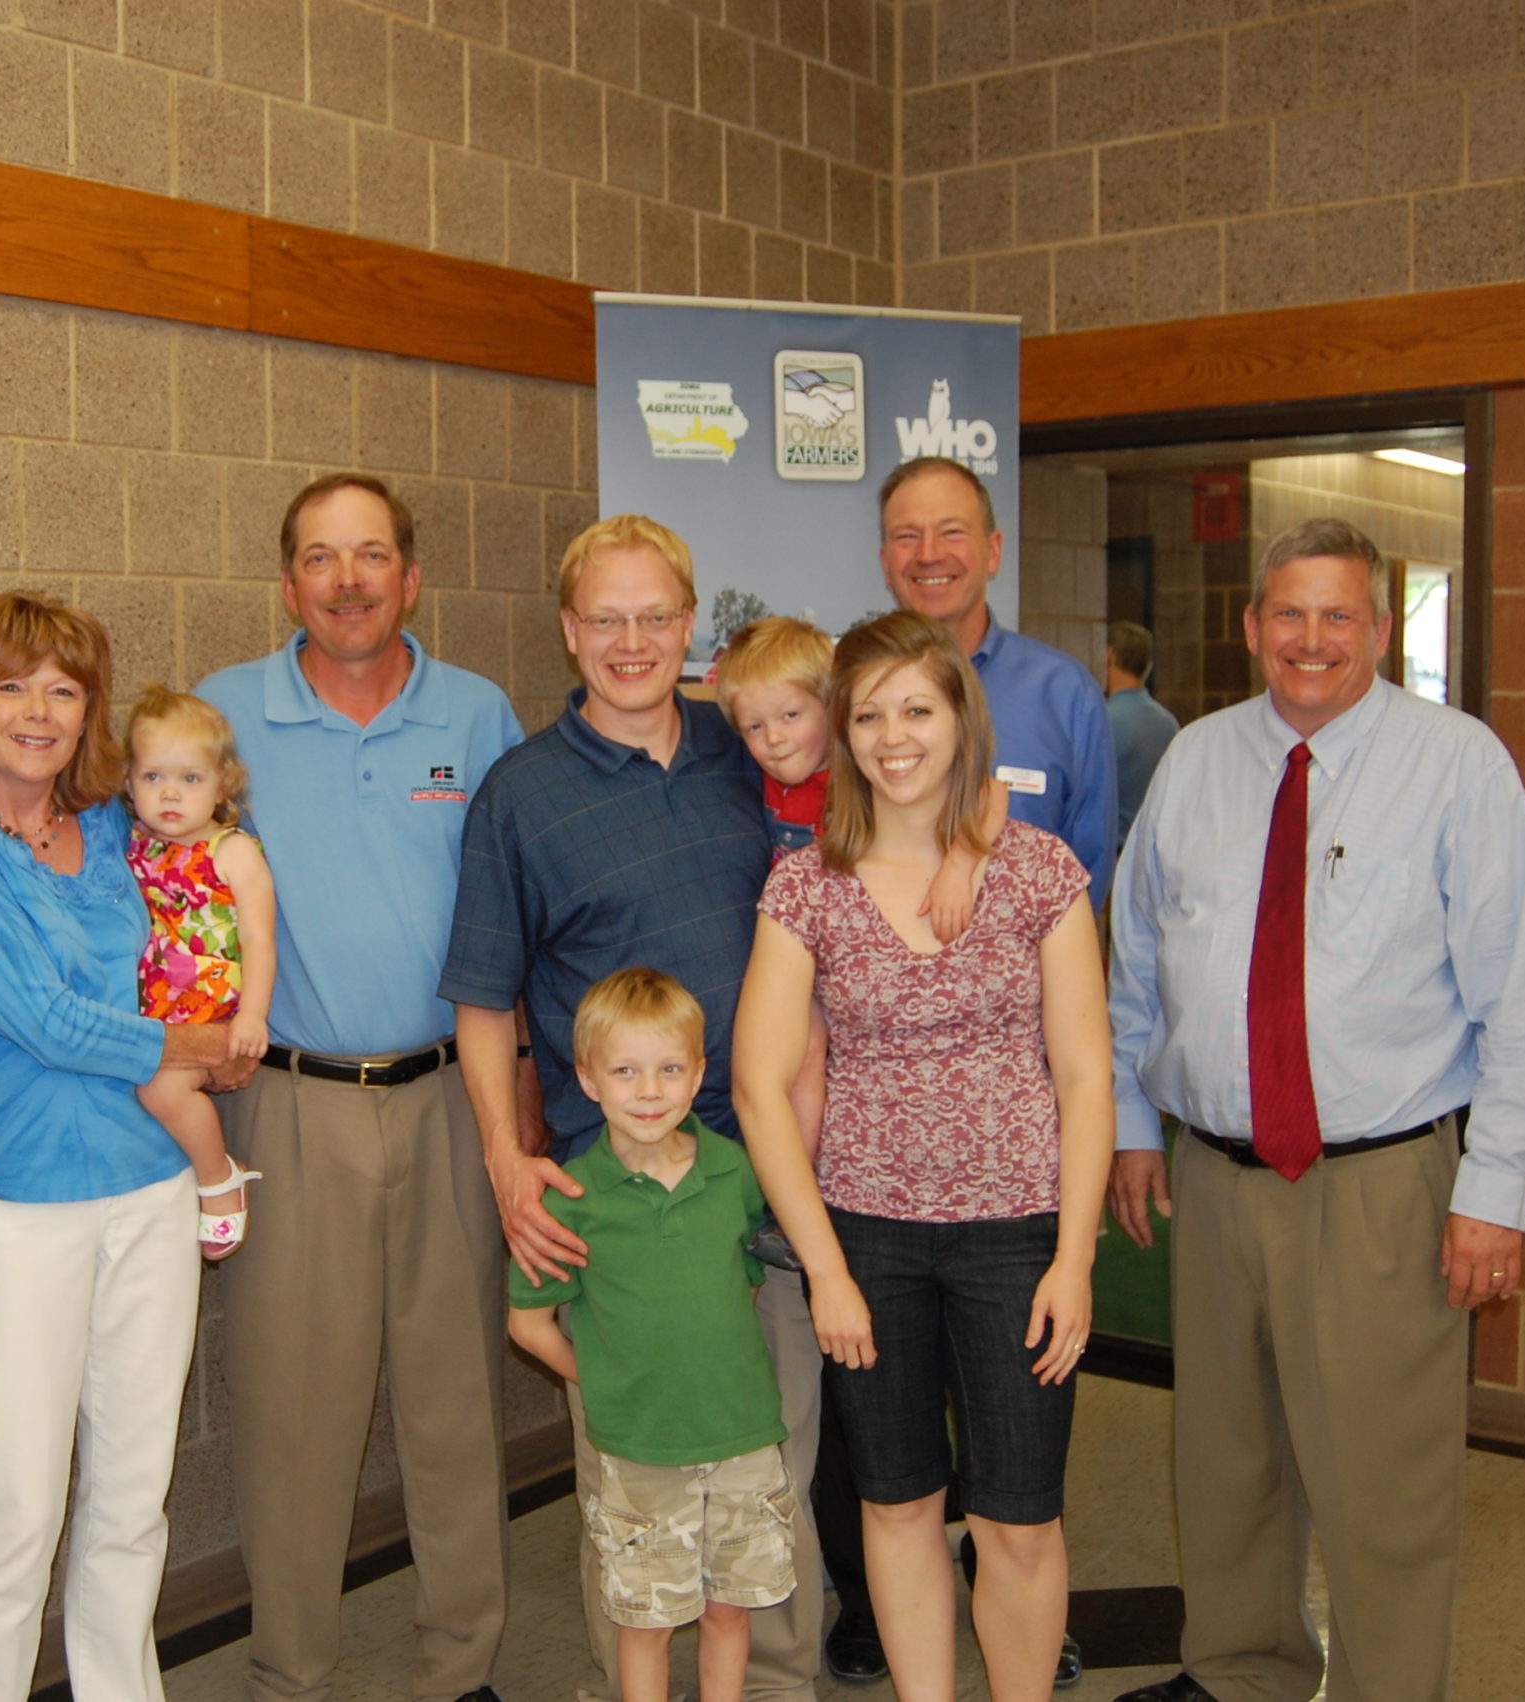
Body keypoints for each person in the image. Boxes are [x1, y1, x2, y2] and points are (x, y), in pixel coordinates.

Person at [1105, 518, 1525, 1702]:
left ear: (1377, 630)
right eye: (1288, 615)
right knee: (1226, 1458)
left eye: (1339, 616)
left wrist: (1494, 1190)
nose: (1311, 640)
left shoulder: (1457, 766)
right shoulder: (1197, 762)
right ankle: (1241, 1670)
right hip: (1214, 1174)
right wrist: (1132, 1126)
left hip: (1381, 1188)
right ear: (1253, 626)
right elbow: (1137, 963)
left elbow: (1517, 997)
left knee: (1383, 1481)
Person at [443, 514, 822, 1702]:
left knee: (775, 1466)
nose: (630, 640)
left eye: (654, 615)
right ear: (567, 632)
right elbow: (484, 1003)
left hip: (760, 1172)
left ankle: (773, 1686)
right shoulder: (519, 795)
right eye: (604, 618)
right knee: (641, 1497)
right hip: (614, 1203)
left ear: (690, 628)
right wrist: (508, 1163)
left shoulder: (744, 755)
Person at [733, 611, 1113, 1702]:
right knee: (896, 1502)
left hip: (1018, 1237)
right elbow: (759, 1086)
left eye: (918, 709)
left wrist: (1074, 1258)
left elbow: (1086, 1075)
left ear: (959, 719)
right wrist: (828, 1268)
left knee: (1018, 1515)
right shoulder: (807, 885)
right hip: (867, 1242)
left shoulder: (1037, 873)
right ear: (841, 734)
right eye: (869, 714)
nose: (895, 736)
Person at [196, 473, 524, 1702]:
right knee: (294, 1414)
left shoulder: (477, 711)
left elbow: (517, 912)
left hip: (452, 1097)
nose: (347, 579)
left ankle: (464, 1667)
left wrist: (521, 1105)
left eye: (371, 554)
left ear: (410, 576)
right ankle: (291, 1671)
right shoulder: (225, 714)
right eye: (321, 558)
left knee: (455, 1404)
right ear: (289, 582)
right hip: (287, 1104)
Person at [0, 592, 239, 1702]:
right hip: (20, 1205)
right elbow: (40, 1017)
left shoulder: (112, 828)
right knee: (16, 1504)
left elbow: (217, 893)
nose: (39, 711)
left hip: (150, 1188)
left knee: (132, 1497)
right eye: (12, 685)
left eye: (64, 688)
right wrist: (188, 1040)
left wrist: (240, 1008)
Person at [507, 968, 797, 1702]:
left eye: (670, 1070)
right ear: (588, 1079)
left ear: (699, 1073)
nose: (648, 1091)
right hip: (639, 1452)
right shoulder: (570, 1200)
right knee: (648, 1621)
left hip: (741, 1436)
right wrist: (599, 1379)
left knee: (731, 1612)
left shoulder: (734, 1171)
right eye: (626, 1071)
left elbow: (744, 1282)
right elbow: (526, 1324)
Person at [877, 457, 1116, 909]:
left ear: (993, 551)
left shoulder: (1066, 696)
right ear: (886, 563)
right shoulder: (844, 694)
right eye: (907, 536)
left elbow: (1087, 878)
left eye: (951, 531)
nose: (928, 553)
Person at [121, 684, 276, 1257]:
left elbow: (260, 938)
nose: (169, 794)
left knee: (161, 1086)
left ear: (221, 784)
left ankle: (219, 1178)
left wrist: (253, 1015)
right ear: (130, 782)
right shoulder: (136, 846)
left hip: (207, 995)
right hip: (153, 994)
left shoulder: (232, 850)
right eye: (153, 777)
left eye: (190, 779)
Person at [1103, 621, 1178, 846]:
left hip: (1114, 850)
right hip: (1154, 847)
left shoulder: (1104, 721)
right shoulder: (1169, 723)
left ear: (1109, 655)